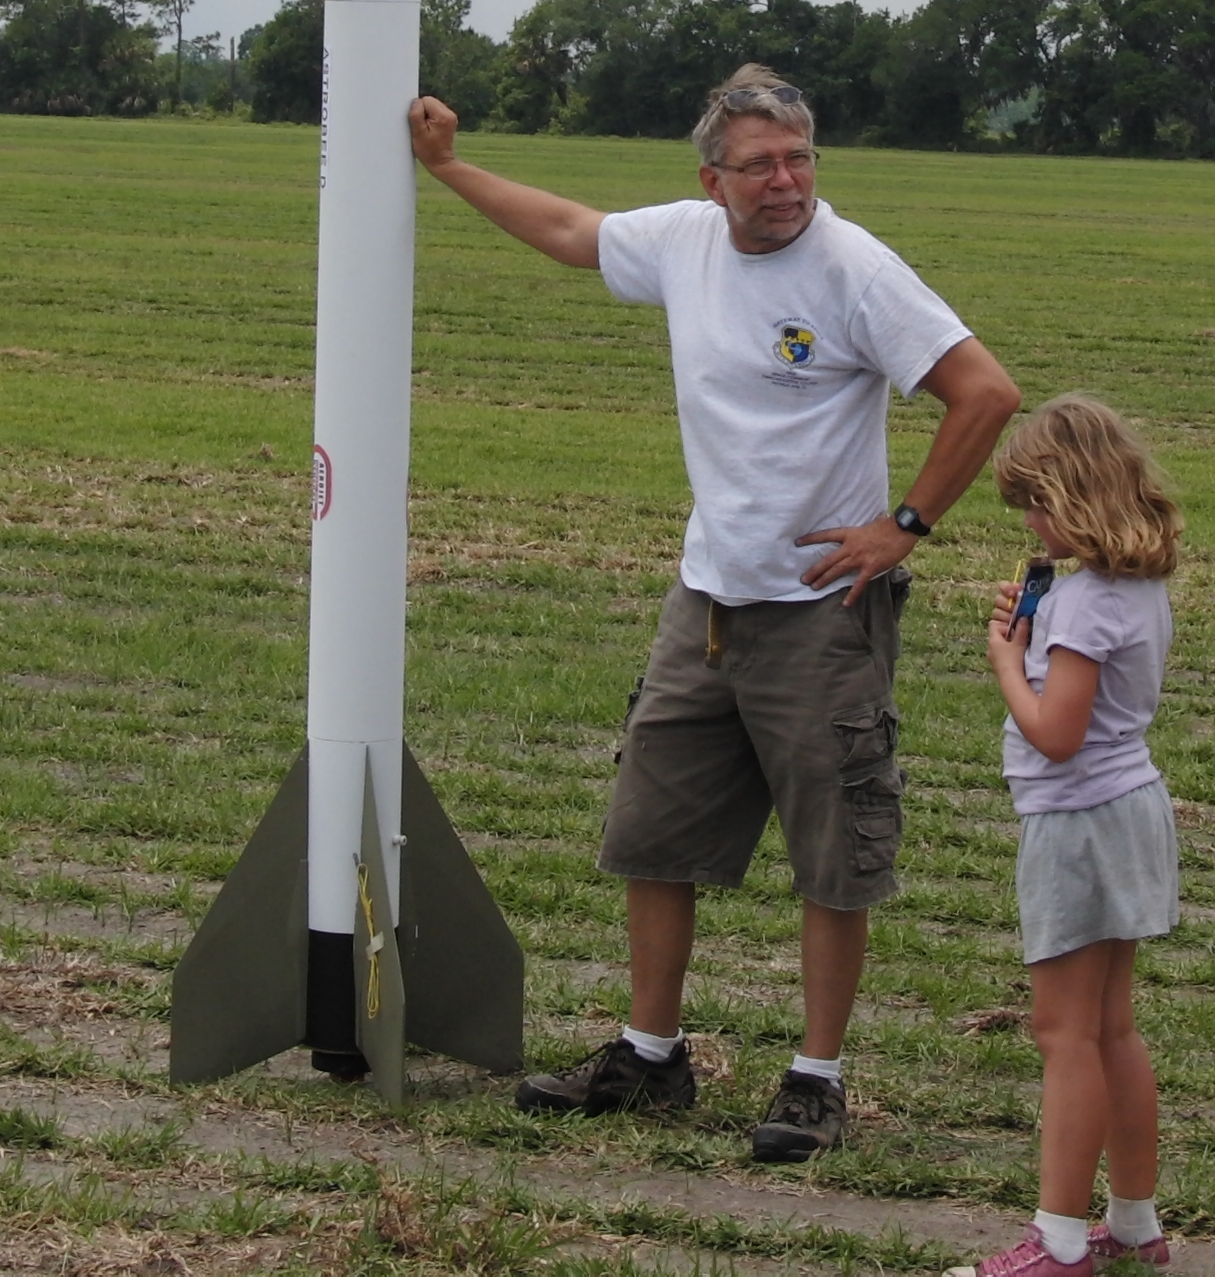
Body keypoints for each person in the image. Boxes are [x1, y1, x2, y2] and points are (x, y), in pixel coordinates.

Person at [407, 66, 1021, 1163]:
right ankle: (650, 1057)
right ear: (712, 180)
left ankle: (815, 1081)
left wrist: (903, 527)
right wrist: (448, 166)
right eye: (759, 165)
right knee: (654, 836)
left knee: (832, 854)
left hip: (822, 612)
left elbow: (985, 391)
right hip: (707, 602)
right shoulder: (682, 242)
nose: (784, 182)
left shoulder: (855, 269)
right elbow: (568, 231)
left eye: (798, 159)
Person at [955, 395, 1183, 1277]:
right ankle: (1133, 1225)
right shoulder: (1136, 586)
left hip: (1078, 821)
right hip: (1132, 810)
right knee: (1112, 1028)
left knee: (1063, 1035)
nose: (1028, 525)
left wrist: (1009, 662)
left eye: (1033, 505)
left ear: (1071, 498)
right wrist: (1038, 626)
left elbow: (1057, 733)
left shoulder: (1084, 604)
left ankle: (1055, 1241)